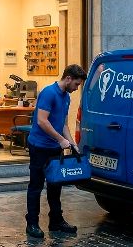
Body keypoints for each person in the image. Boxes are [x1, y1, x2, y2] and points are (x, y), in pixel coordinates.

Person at [24, 64, 87, 238]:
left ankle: (56, 221)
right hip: (39, 147)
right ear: (68, 79)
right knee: (36, 186)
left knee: (55, 186)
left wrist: (72, 144)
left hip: (54, 148)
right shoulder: (49, 93)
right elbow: (42, 121)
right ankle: (32, 224)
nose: (76, 88)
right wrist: (60, 140)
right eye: (76, 84)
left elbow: (63, 124)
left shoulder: (66, 97)